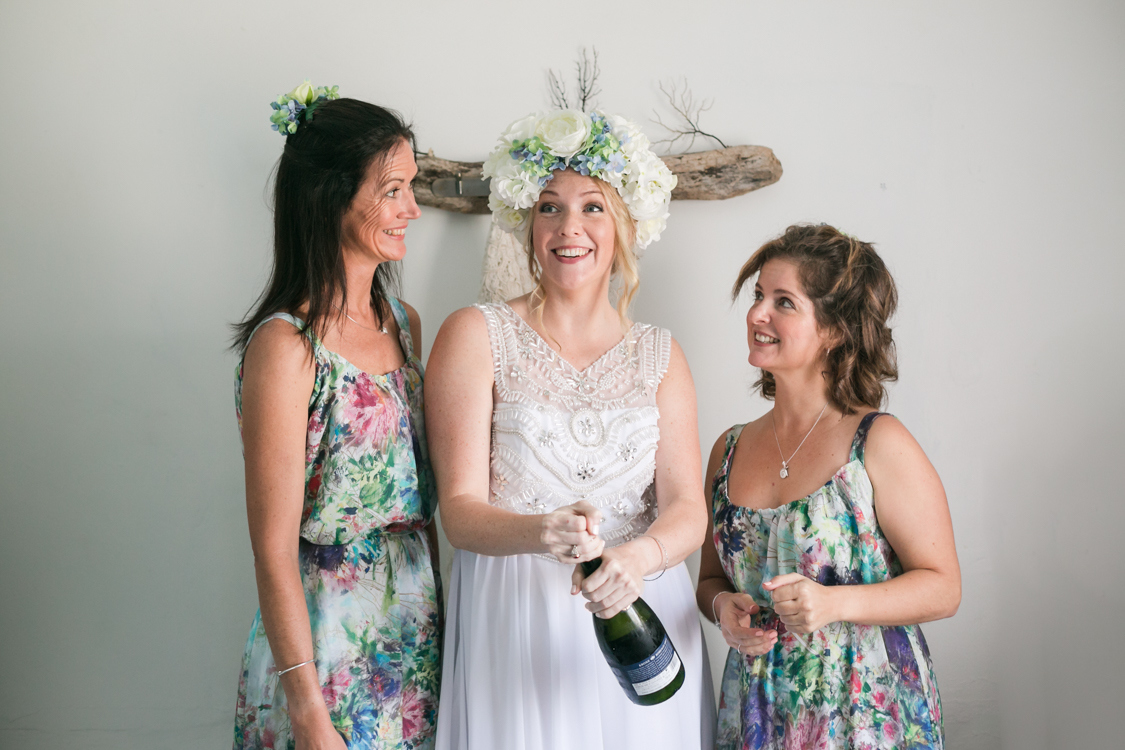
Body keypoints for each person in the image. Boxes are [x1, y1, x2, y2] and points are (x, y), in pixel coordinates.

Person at [426, 110, 715, 750]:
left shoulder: (661, 355)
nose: (569, 228)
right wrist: (540, 531)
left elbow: (688, 508)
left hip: (641, 608)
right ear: (527, 223)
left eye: (592, 208)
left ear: (623, 226)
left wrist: (639, 558)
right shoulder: (475, 335)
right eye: (550, 208)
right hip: (516, 616)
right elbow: (460, 512)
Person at [230, 82, 441, 750]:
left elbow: (425, 508)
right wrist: (307, 712)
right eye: (392, 190)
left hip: (413, 636)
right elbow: (271, 545)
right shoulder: (287, 349)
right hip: (323, 648)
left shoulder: (404, 326)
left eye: (412, 186)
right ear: (331, 196)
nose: (412, 207)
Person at [696, 224, 961, 749]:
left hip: (863, 710)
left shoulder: (878, 443)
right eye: (757, 296)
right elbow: (707, 580)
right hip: (757, 710)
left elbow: (943, 587)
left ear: (835, 330)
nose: (756, 315)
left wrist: (834, 604)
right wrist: (724, 608)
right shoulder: (727, 450)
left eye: (783, 302)